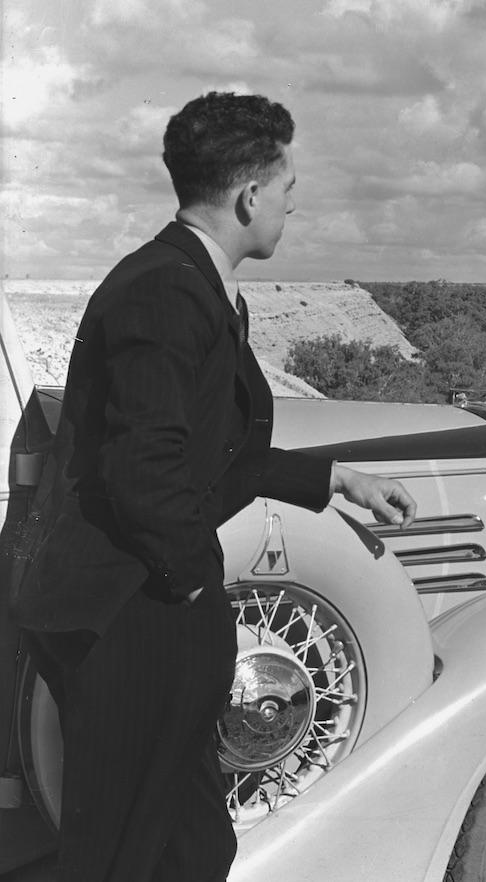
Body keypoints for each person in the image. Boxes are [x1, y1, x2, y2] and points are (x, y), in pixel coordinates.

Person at [5, 92, 416, 882]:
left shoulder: (197, 283)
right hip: (131, 618)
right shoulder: (165, 291)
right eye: (288, 187)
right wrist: (198, 591)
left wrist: (338, 478)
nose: (295, 203)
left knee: (192, 849)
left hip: (149, 608)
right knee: (123, 856)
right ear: (249, 195)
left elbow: (207, 450)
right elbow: (144, 470)